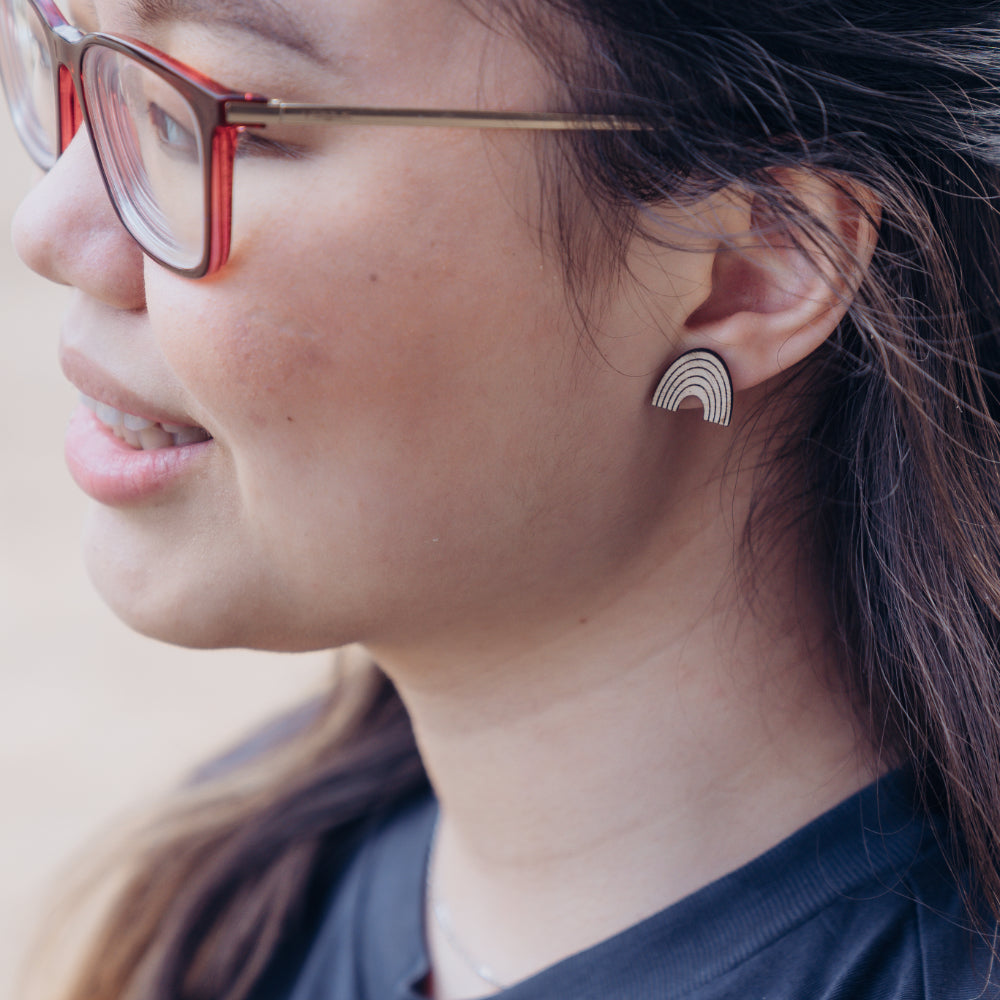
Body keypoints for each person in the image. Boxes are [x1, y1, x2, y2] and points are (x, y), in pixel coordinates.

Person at [4, 0, 1000, 996]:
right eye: (69, 47)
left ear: (748, 266)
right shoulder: (230, 902)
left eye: (198, 115)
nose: (50, 228)